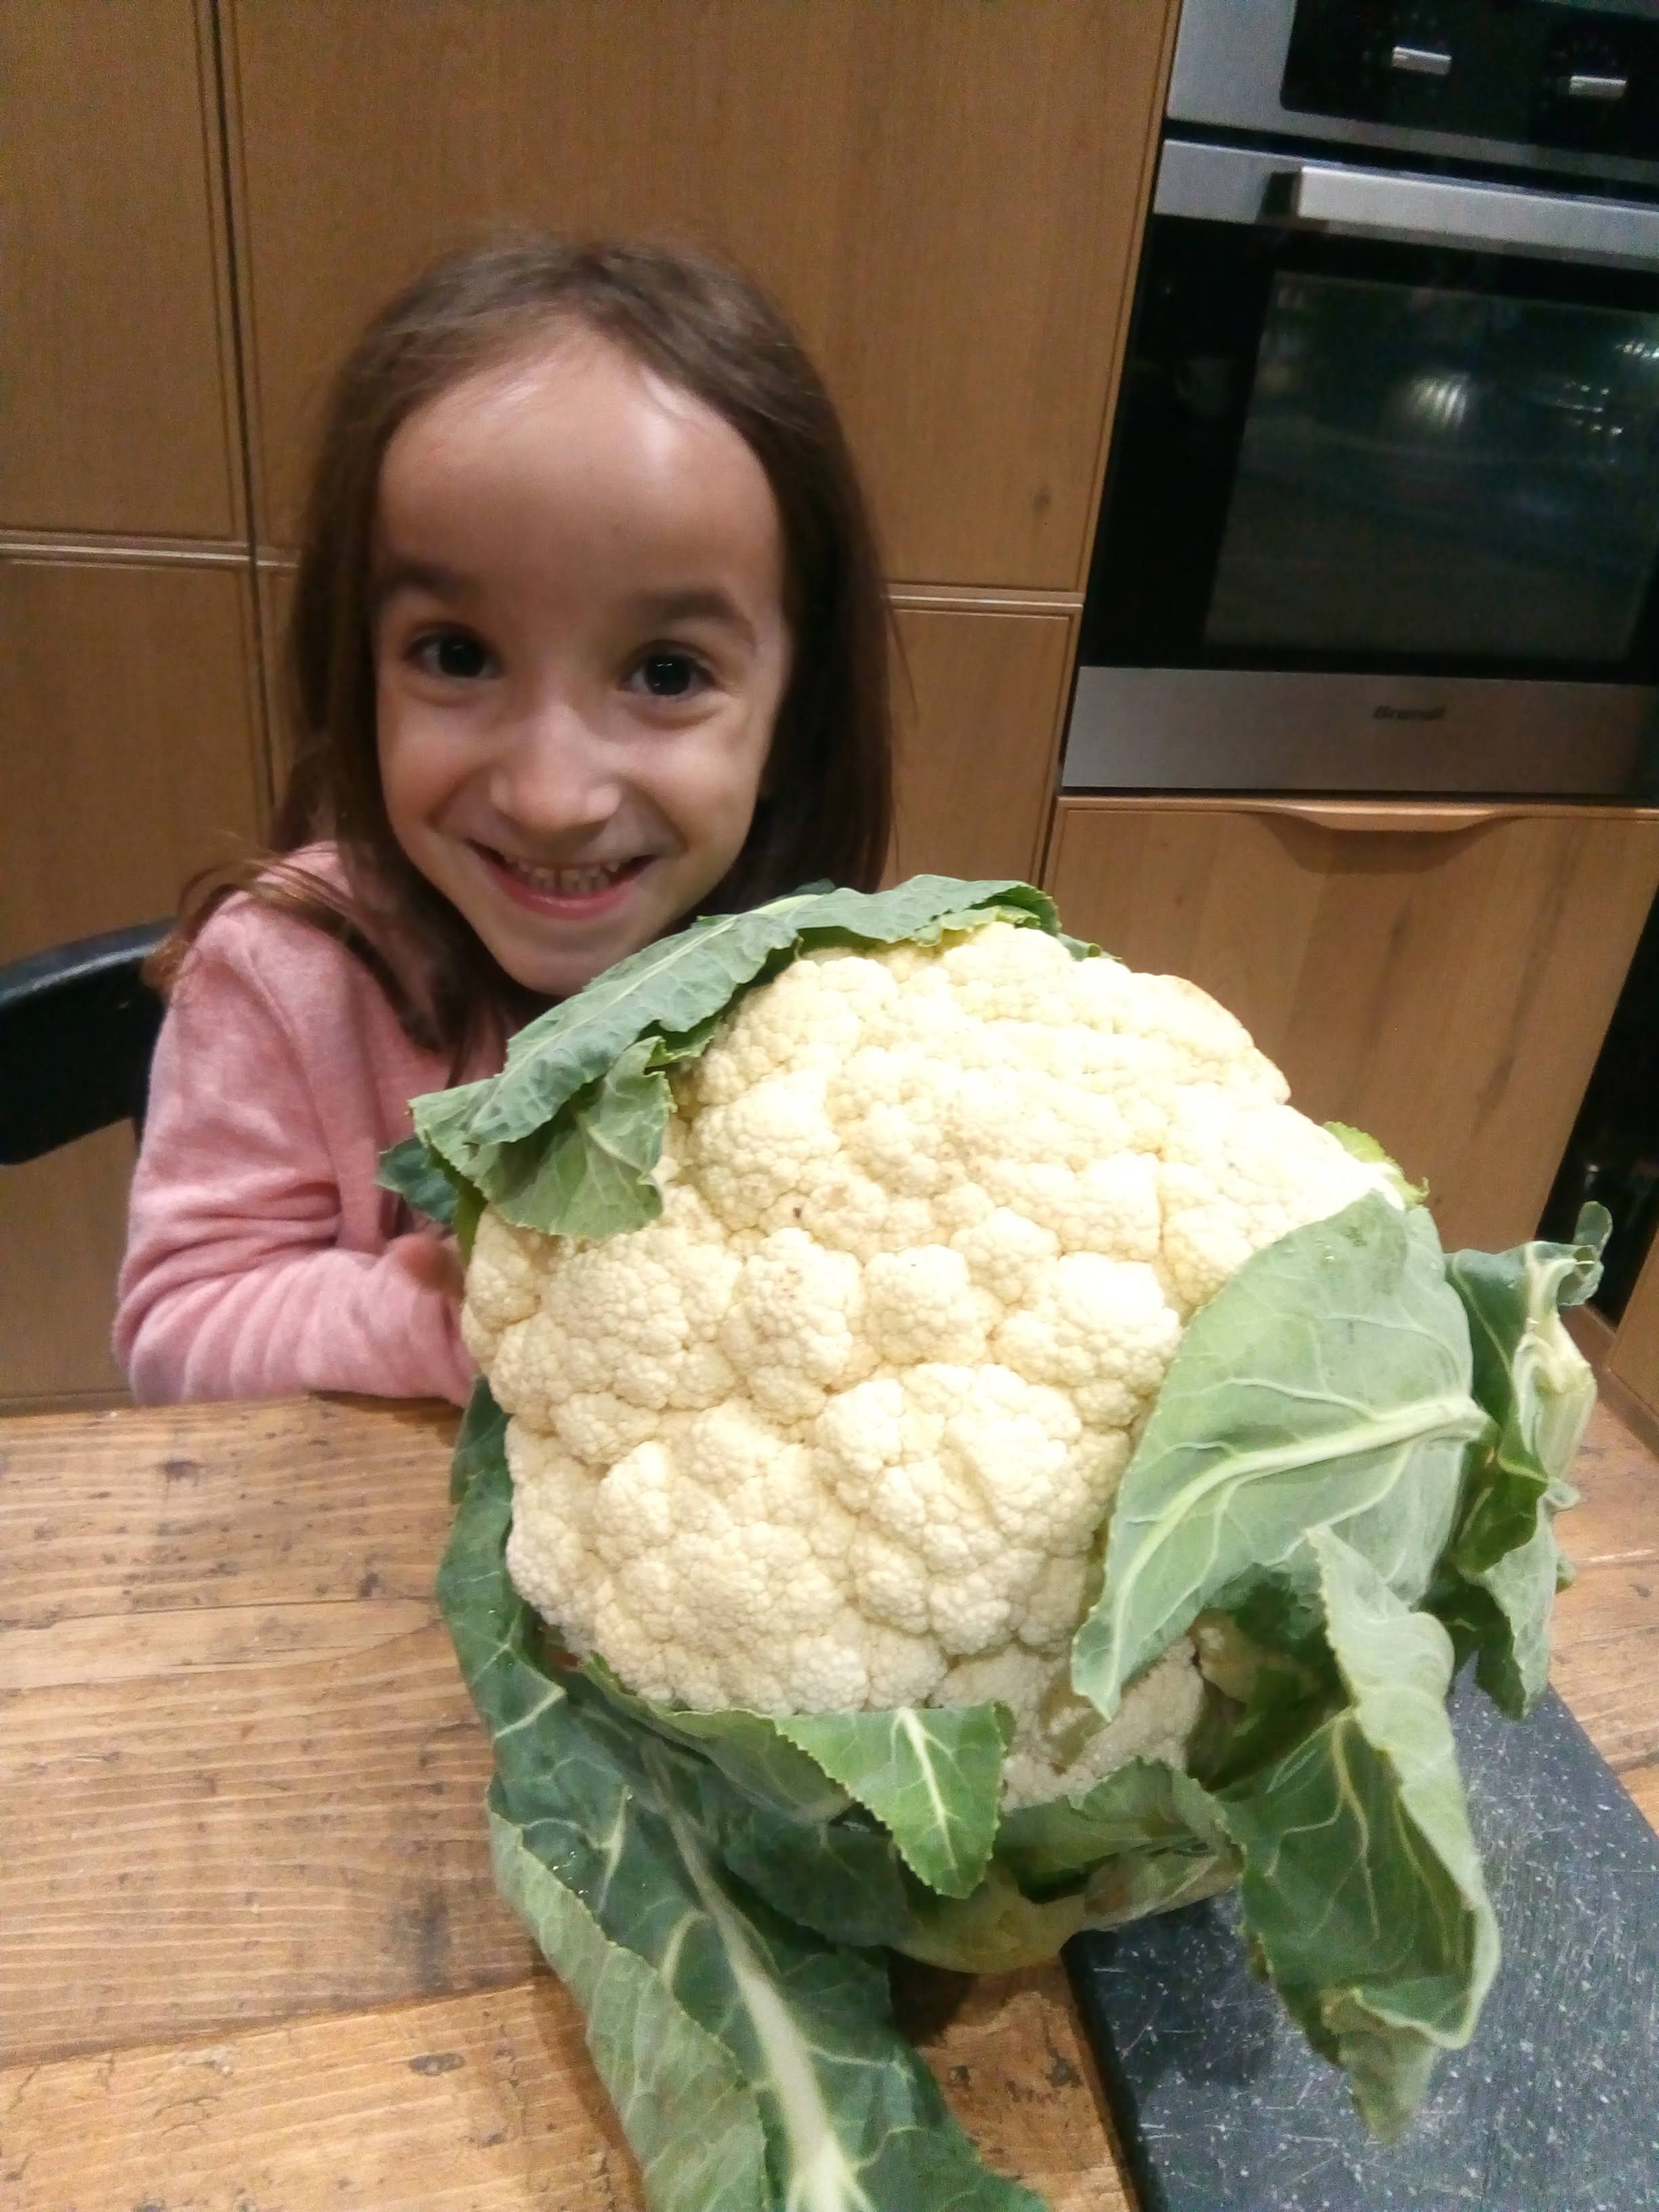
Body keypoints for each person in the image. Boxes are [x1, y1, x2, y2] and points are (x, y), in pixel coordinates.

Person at [115, 235, 893, 1405]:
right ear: (358, 674)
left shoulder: (823, 1003)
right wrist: (475, 1310)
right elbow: (179, 1330)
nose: (551, 796)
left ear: (793, 721)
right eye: (458, 655)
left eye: (667, 673)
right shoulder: (285, 977)